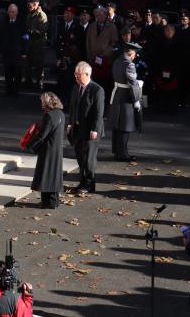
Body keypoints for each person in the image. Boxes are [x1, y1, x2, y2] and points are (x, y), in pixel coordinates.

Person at [67, 62, 105, 193]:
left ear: (87, 74)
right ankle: (82, 182)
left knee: (89, 158)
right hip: (78, 128)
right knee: (80, 156)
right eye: (75, 74)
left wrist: (95, 129)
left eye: (78, 74)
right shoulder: (76, 88)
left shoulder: (97, 90)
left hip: (91, 130)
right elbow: (72, 107)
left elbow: (99, 113)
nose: (76, 77)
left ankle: (89, 184)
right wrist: (70, 123)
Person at [24, 92, 65, 209]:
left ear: (47, 102)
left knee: (46, 175)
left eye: (42, 101)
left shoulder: (50, 116)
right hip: (56, 149)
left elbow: (42, 135)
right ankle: (53, 201)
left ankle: (48, 202)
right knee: (53, 175)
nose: (41, 104)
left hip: (48, 149)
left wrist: (30, 145)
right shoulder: (60, 114)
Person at [109, 42, 143, 162]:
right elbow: (132, 84)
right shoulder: (130, 65)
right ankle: (123, 154)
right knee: (125, 126)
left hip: (117, 93)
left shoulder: (117, 61)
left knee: (117, 125)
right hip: (126, 96)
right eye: (134, 54)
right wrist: (136, 100)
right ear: (131, 53)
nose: (134, 57)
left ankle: (117, 151)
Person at [0, 4, 26, 96]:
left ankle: (16, 91)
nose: (11, 13)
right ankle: (8, 90)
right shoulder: (5, 23)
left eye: (13, 12)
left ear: (17, 12)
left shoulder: (21, 23)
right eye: (10, 12)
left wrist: (24, 51)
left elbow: (25, 38)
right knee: (8, 73)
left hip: (17, 53)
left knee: (17, 73)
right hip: (7, 52)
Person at [24, 0, 49, 89]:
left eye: (29, 4)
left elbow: (42, 30)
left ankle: (39, 81)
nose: (28, 6)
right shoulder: (30, 14)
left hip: (39, 42)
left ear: (35, 4)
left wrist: (31, 31)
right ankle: (28, 80)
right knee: (28, 61)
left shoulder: (41, 15)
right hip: (30, 41)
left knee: (39, 62)